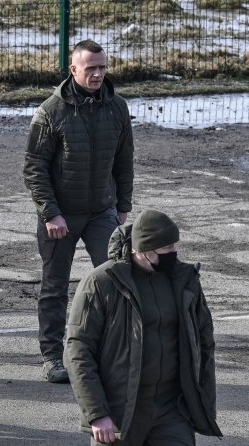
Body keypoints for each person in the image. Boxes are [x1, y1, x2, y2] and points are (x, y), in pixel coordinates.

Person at [23, 39, 134, 383]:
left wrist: (123, 208)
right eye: (91, 68)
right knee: (55, 287)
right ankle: (53, 356)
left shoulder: (117, 108)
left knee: (117, 280)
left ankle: (111, 350)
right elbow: (34, 166)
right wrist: (49, 212)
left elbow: (124, 161)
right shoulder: (50, 112)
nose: (98, 74)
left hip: (103, 211)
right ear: (73, 70)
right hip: (61, 215)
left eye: (102, 67)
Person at [64, 209, 222, 445]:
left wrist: (202, 405)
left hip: (172, 411)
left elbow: (204, 344)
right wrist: (96, 413)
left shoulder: (184, 281)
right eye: (167, 248)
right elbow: (78, 350)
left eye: (174, 246)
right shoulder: (101, 283)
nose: (174, 253)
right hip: (120, 413)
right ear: (143, 251)